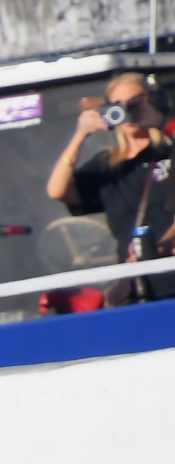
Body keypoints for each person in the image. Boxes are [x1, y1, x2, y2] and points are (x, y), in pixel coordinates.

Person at [47, 73, 175, 300]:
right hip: (139, 287)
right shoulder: (107, 166)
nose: (127, 111)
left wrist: (159, 120)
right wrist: (80, 135)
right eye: (118, 105)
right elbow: (57, 191)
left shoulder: (168, 150)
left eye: (136, 102)